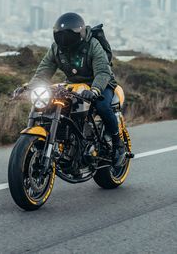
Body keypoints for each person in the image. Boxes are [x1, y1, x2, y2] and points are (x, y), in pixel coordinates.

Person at [27, 12, 125, 166]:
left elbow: (102, 71)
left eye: (68, 36)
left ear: (79, 33)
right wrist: (28, 87)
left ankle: (118, 144)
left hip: (101, 83)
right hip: (74, 84)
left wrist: (95, 91)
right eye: (61, 36)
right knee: (51, 103)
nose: (64, 40)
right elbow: (44, 71)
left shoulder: (92, 44)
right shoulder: (57, 48)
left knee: (102, 106)